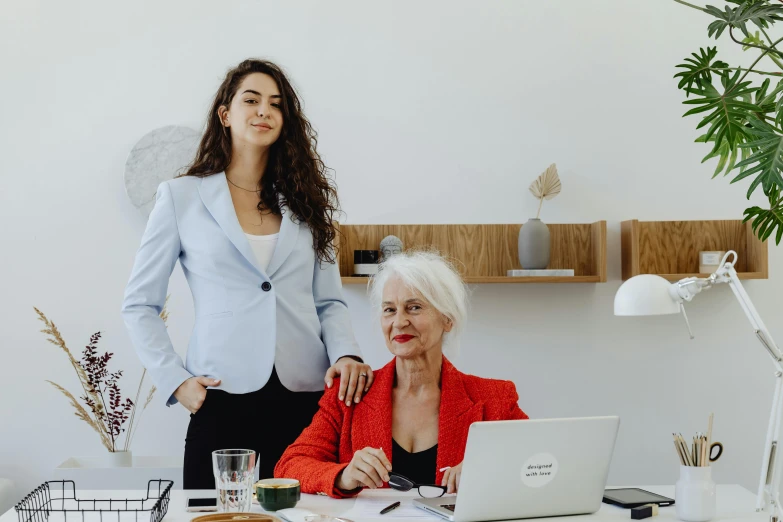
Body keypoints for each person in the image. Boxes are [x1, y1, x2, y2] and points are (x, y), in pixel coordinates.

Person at [121, 59, 373, 488]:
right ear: (226, 114)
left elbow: (328, 301)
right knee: (214, 516)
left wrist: (346, 354)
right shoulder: (181, 197)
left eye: (276, 104)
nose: (263, 111)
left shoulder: (307, 205)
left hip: (305, 396)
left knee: (307, 514)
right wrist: (177, 381)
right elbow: (139, 304)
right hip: (221, 395)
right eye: (251, 100)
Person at [274, 251, 528, 497]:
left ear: (447, 319)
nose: (399, 322)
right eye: (389, 310)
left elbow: (538, 461)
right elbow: (289, 466)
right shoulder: (350, 394)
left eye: (414, 307)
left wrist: (488, 470)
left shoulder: (495, 399)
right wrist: (344, 476)